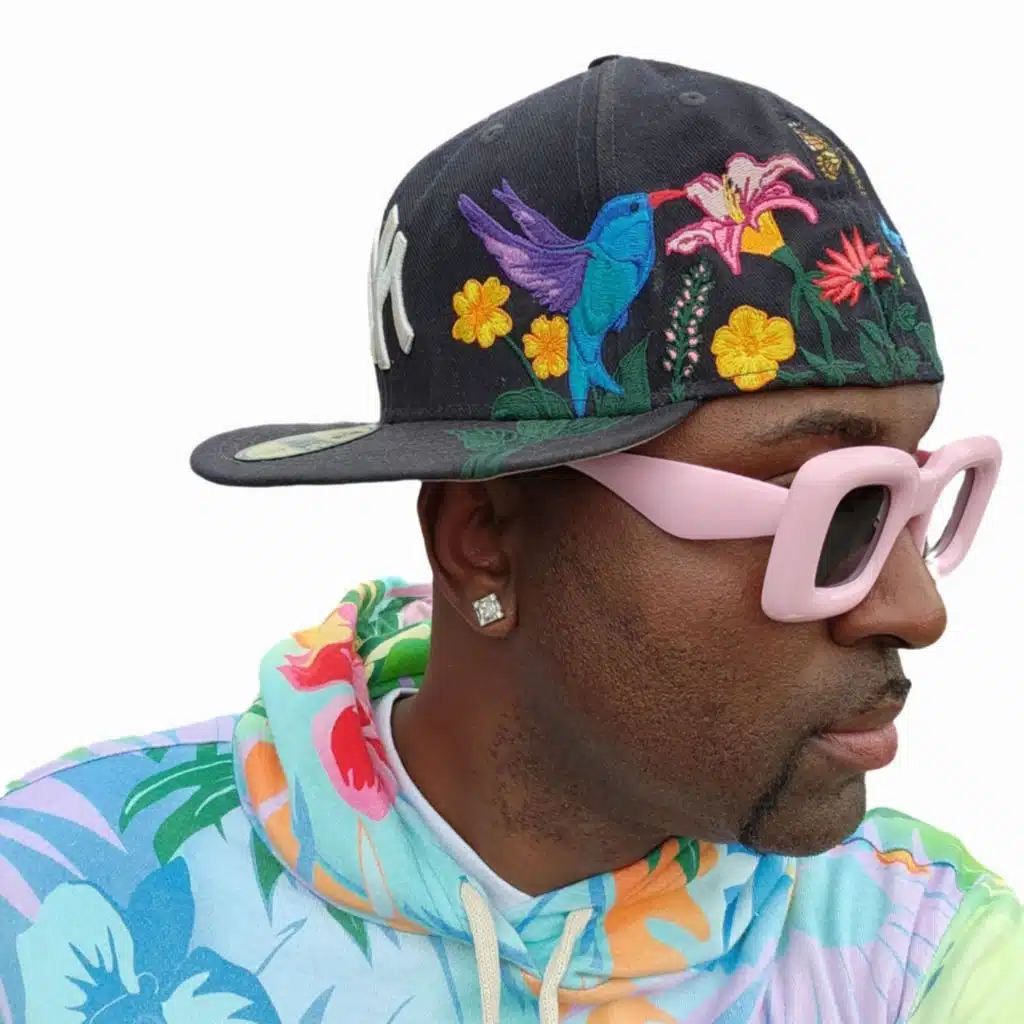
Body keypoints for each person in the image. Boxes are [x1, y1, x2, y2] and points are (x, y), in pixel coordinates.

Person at [0, 54, 1019, 1024]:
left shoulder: (922, 954)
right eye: (836, 506)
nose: (916, 609)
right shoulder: (51, 887)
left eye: (919, 496)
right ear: (482, 537)